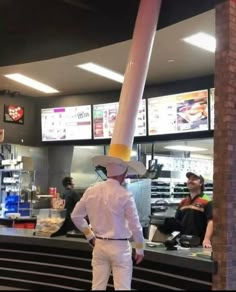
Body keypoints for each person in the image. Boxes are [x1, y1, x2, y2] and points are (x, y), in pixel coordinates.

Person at [71, 155, 146, 290]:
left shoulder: (90, 191)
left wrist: (90, 235)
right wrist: (140, 248)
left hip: (99, 245)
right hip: (120, 247)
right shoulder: (125, 195)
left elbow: (75, 216)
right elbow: (135, 226)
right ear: (123, 175)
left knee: (97, 287)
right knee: (122, 288)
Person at [175, 171, 213, 248]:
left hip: (199, 244)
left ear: (201, 183)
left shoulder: (207, 200)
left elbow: (211, 221)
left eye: (194, 179)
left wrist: (207, 239)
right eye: (189, 179)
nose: (190, 181)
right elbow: (177, 221)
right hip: (182, 242)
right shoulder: (183, 202)